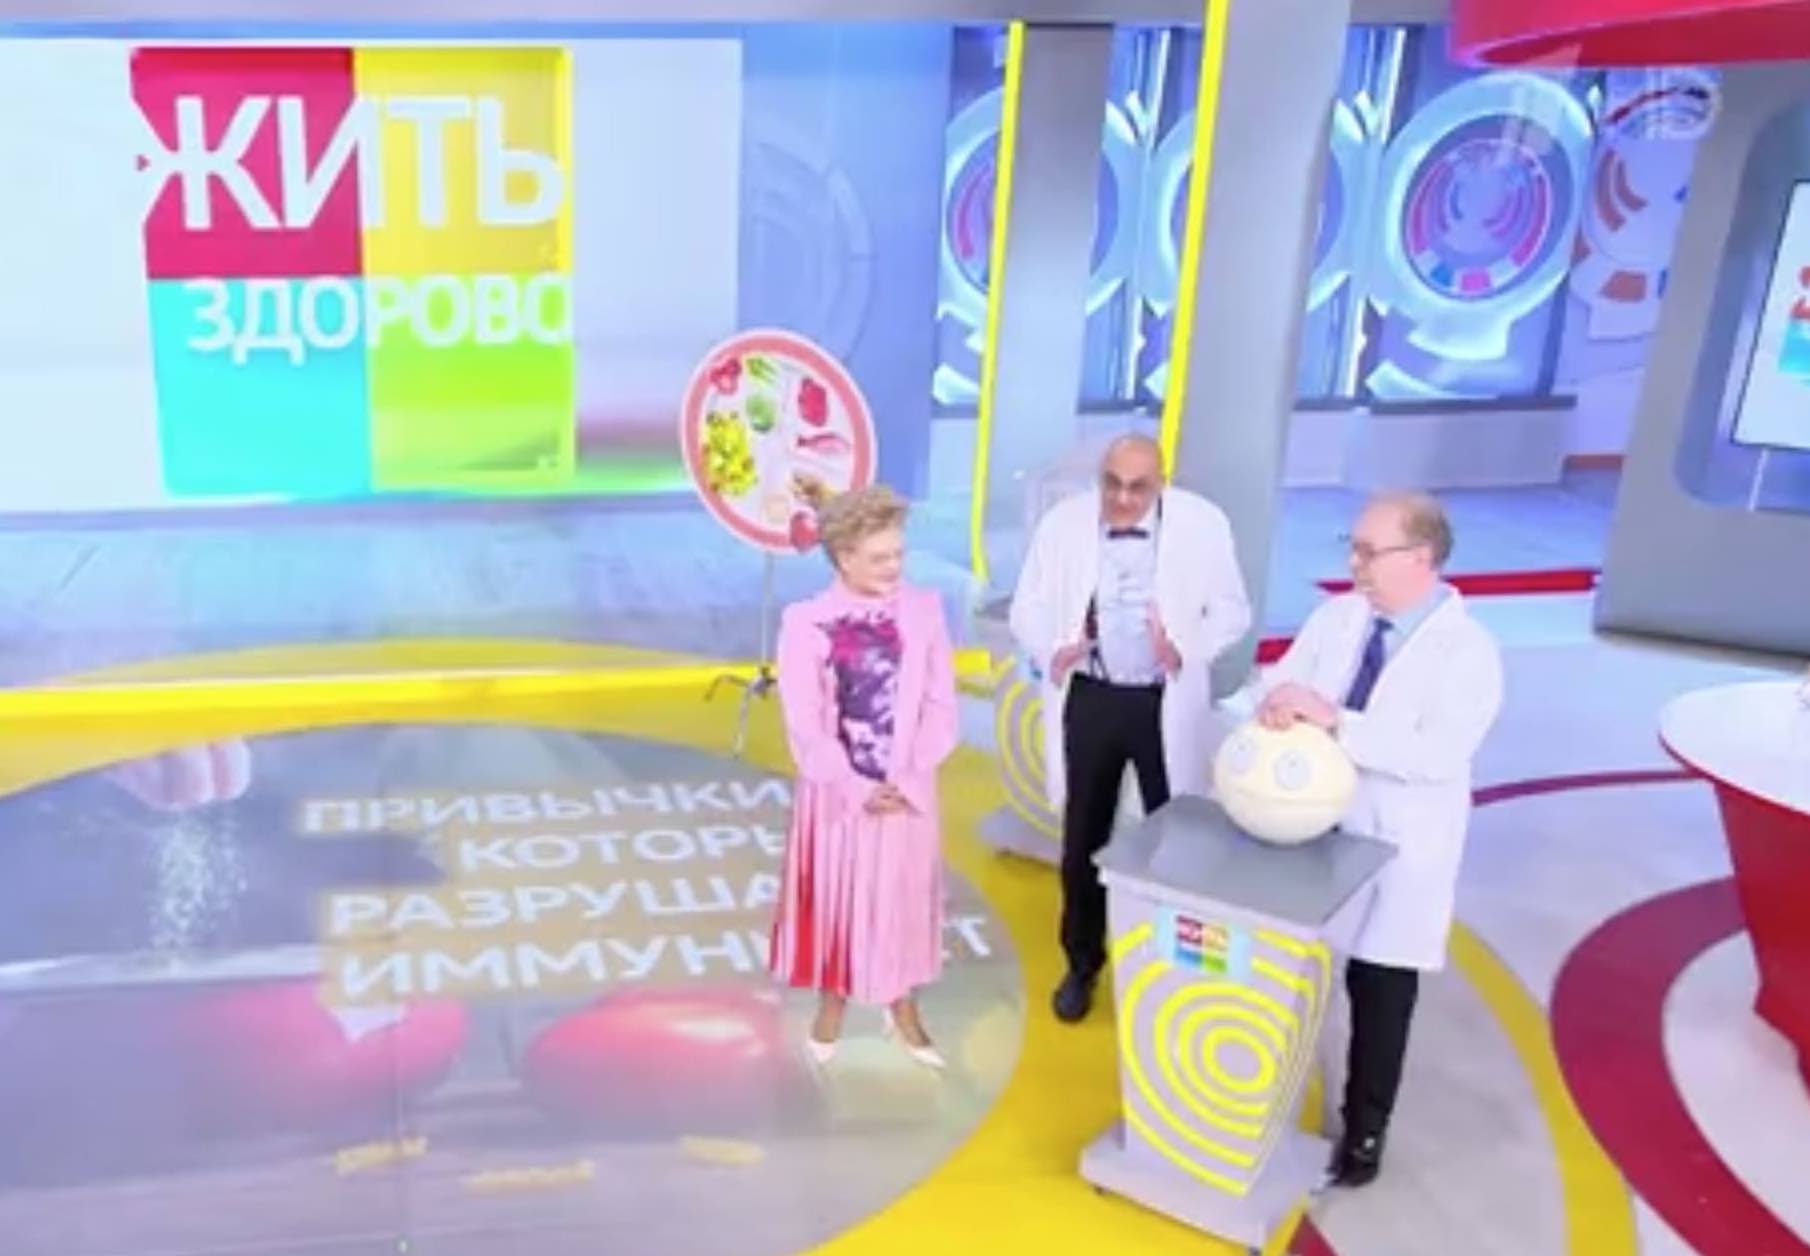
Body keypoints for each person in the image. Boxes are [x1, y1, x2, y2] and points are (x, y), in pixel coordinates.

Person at [1243, 491, 1503, 1187]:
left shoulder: (1468, 653)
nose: (1355, 564)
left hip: (1399, 846)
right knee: (1296, 972)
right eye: (1352, 548)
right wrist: (1274, 701)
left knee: (1379, 990)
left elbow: (1437, 753)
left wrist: (1335, 721)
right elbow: (1283, 678)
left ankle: (1364, 1133)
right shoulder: (1338, 617)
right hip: (1315, 824)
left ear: (1421, 558)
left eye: (1369, 552)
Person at [1009, 433, 1251, 1023]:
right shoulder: (1063, 524)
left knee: (1178, 836)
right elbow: (1027, 605)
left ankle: (1173, 970)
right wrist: (1054, 646)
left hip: (1162, 697)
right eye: (1111, 484)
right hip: (1090, 695)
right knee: (1082, 838)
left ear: (1162, 483)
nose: (1121, 499)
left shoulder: (1205, 524)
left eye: (1137, 488)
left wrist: (1185, 647)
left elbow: (1233, 610)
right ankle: (1081, 963)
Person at [768, 484, 960, 1068]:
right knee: (838, 901)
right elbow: (805, 723)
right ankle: (832, 1004)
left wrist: (911, 775)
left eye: (899, 554)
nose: (894, 567)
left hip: (907, 791)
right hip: (838, 795)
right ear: (843, 557)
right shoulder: (805, 622)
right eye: (880, 558)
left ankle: (902, 1007)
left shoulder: (925, 610)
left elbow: (941, 702)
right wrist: (854, 786)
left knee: (903, 898)